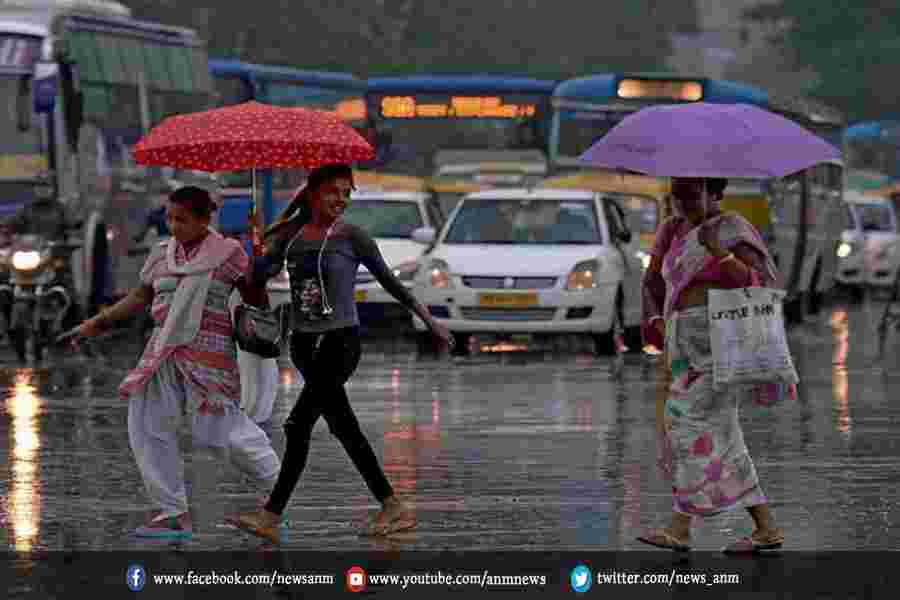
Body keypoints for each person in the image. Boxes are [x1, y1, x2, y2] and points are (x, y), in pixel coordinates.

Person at [233, 163, 452, 544]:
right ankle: (391, 505)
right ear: (313, 194)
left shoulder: (352, 237)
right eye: (333, 191)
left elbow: (391, 283)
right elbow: (254, 280)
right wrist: (257, 249)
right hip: (303, 345)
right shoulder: (290, 235)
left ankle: (272, 514)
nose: (341, 199)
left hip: (340, 343)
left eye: (346, 193)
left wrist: (430, 321)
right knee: (340, 426)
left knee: (298, 425)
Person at [73, 186, 282, 539]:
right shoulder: (161, 254)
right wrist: (97, 323)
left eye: (181, 219)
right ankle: (172, 512)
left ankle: (278, 492)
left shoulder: (229, 253)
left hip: (209, 355)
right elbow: (141, 296)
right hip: (162, 352)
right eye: (169, 218)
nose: (173, 226)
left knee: (220, 432)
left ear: (204, 220)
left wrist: (258, 262)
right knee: (147, 424)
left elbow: (254, 298)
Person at [637, 177, 790, 554]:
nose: (682, 203)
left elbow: (760, 284)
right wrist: (656, 319)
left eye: (691, 195)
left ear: (715, 193)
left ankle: (679, 528)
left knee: (686, 426)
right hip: (681, 344)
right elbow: (653, 281)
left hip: (720, 344)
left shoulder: (733, 229)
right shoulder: (670, 230)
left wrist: (720, 254)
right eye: (677, 196)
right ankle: (766, 527)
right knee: (722, 433)